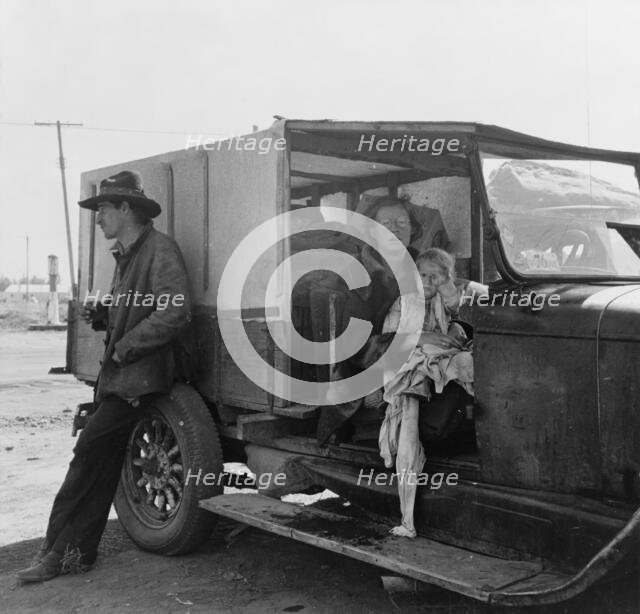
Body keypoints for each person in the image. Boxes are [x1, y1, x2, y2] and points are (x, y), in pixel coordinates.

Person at [17, 170, 194, 583]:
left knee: (87, 459)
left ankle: (58, 555)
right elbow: (140, 306)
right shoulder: (130, 253)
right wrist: (103, 316)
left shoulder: (159, 251)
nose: (97, 219)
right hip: (122, 379)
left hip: (142, 380)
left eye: (103, 209)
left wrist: (125, 345)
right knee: (98, 462)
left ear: (126, 209)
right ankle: (74, 553)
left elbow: (176, 310)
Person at [378, 248, 473, 538]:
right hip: (401, 359)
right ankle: (407, 506)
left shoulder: (446, 301)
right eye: (423, 275)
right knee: (409, 401)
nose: (428, 281)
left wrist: (452, 325)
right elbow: (392, 338)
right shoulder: (404, 302)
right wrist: (426, 337)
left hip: (435, 356)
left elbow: (459, 309)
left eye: (437, 276)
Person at [314, 196, 424, 444]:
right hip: (364, 372)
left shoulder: (423, 265)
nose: (395, 228)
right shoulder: (357, 275)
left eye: (402, 221)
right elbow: (354, 347)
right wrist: (415, 342)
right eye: (386, 222)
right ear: (373, 232)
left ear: (413, 229)